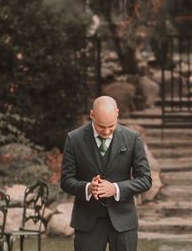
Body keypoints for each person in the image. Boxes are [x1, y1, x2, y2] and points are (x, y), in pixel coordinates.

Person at [61, 95, 152, 251]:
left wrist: (115, 188)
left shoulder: (132, 138)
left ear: (117, 113)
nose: (107, 131)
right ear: (92, 115)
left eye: (111, 126)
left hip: (124, 221)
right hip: (87, 222)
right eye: (101, 126)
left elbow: (145, 180)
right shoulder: (74, 139)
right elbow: (66, 180)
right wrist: (88, 188)